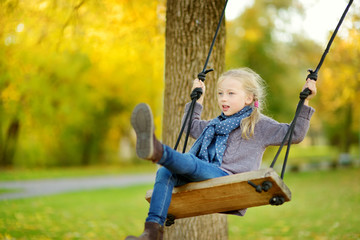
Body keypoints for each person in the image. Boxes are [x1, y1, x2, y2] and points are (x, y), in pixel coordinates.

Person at [125, 67, 317, 240]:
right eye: (220, 93)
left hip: (230, 179)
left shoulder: (259, 125)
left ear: (248, 98)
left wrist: (305, 101)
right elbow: (190, 126)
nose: (223, 98)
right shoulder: (214, 125)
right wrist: (197, 99)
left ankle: (157, 151)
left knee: (191, 162)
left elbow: (295, 134)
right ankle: (152, 232)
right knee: (164, 173)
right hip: (201, 174)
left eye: (231, 93)